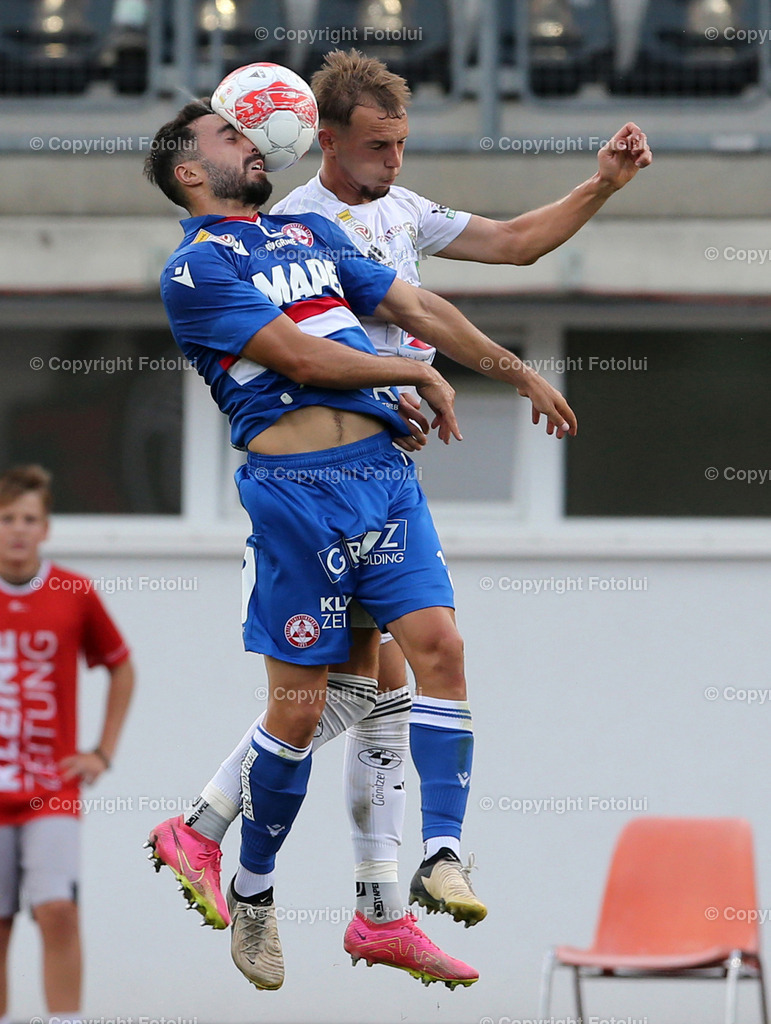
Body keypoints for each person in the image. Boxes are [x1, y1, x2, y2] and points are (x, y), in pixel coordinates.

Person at [146, 47, 651, 985]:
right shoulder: (218, 255)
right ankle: (238, 865)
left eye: (403, 142)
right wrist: (410, 373)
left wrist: (514, 368)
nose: (395, 159)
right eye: (380, 145)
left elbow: (441, 289)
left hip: (384, 470)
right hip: (296, 496)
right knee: (313, 705)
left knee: (415, 668)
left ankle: (411, 876)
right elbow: (297, 355)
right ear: (319, 139)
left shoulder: (351, 229)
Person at [0, 465, 134, 1024]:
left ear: (47, 528)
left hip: (51, 788)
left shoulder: (72, 592)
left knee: (57, 910)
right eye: (7, 518)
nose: (18, 530)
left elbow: (121, 667)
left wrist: (101, 752)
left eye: (29, 519)